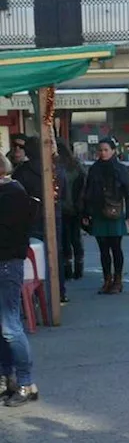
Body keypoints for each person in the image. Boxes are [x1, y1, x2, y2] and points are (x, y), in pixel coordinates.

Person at [0, 152, 39, 407]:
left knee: (10, 326)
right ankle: (7, 379)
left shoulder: (12, 194)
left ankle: (26, 383)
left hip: (6, 264)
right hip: (6, 262)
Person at [81, 137, 129, 295]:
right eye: (100, 150)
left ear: (113, 151)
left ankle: (118, 280)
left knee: (116, 248)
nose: (103, 153)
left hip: (115, 211)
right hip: (98, 211)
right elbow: (88, 192)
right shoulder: (94, 169)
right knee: (103, 249)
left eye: (106, 150)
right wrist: (86, 212)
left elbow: (128, 192)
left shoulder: (120, 168)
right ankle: (107, 280)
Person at [56, 140, 86, 282]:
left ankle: (68, 268)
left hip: (64, 206)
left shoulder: (56, 166)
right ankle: (78, 268)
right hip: (74, 206)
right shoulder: (76, 165)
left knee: (66, 239)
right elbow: (84, 183)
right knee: (75, 238)